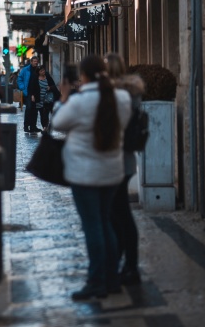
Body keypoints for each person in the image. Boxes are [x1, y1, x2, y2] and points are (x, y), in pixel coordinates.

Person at [52, 54, 132, 300]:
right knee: (106, 223)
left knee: (93, 226)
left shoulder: (78, 102)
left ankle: (97, 281)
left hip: (85, 175)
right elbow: (125, 124)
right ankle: (111, 279)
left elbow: (57, 123)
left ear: (83, 76)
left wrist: (63, 98)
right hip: (112, 172)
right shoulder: (122, 98)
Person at [104, 52, 145, 286]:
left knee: (119, 215)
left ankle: (130, 266)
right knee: (118, 214)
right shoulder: (131, 93)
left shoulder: (117, 95)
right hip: (126, 160)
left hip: (116, 160)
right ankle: (124, 263)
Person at [30, 65, 60, 130]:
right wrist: (32, 95)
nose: (43, 71)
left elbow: (53, 85)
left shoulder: (47, 77)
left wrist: (50, 87)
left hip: (47, 99)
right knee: (41, 113)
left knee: (45, 113)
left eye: (43, 70)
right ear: (38, 72)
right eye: (41, 71)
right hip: (39, 98)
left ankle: (45, 127)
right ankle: (44, 127)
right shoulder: (35, 78)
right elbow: (32, 87)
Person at [18, 56, 40, 132]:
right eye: (34, 61)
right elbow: (20, 79)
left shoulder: (38, 70)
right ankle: (26, 126)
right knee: (29, 109)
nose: (36, 63)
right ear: (31, 62)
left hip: (37, 93)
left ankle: (33, 126)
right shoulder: (25, 70)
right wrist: (23, 88)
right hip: (28, 93)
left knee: (35, 110)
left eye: (36, 61)